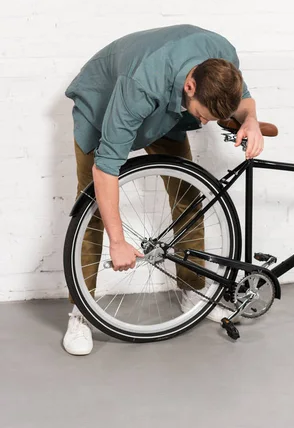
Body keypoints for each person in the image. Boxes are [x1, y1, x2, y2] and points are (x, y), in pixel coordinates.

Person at [63, 24, 263, 355]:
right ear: (190, 86)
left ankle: (192, 291)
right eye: (202, 115)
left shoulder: (222, 56)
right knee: (92, 209)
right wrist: (118, 242)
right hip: (103, 106)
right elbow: (106, 167)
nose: (203, 124)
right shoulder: (141, 85)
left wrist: (251, 120)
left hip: (164, 113)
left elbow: (242, 99)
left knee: (188, 198)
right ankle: (81, 313)